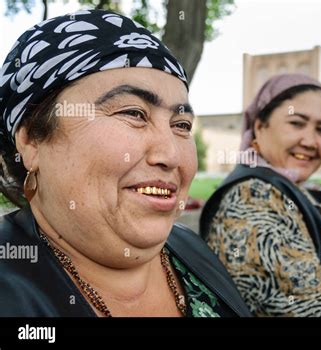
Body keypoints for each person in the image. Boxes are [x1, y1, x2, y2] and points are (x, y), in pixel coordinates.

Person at [0, 10, 251, 317]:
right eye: (133, 113)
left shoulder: (190, 248)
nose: (171, 155)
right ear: (31, 140)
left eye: (182, 125)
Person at [200, 73, 321, 317]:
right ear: (259, 127)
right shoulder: (254, 198)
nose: (310, 141)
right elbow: (306, 311)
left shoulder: (283, 189)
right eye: (296, 123)